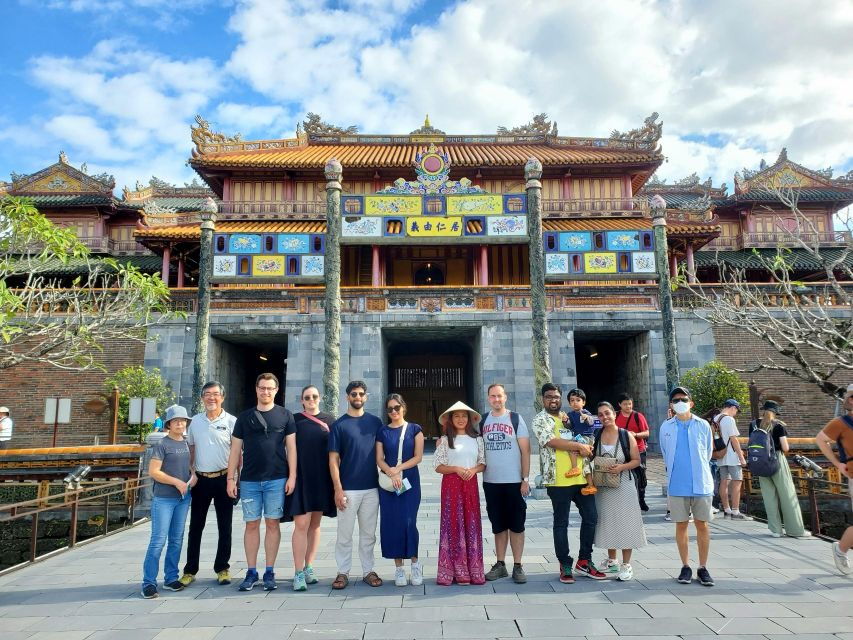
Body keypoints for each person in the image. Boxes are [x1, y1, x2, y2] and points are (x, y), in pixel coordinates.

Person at [226, 373, 297, 592]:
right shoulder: (244, 418)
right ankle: (251, 571)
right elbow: (235, 450)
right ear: (256, 389)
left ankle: (269, 571)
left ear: (276, 390)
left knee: (273, 523)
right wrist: (231, 478)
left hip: (277, 477)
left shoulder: (286, 415)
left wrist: (292, 476)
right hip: (249, 480)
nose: (266, 392)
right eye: (262, 388)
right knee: (251, 524)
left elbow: (292, 448)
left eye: (270, 388)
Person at [532, 383, 607, 584]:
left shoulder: (568, 417)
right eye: (549, 396)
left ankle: (585, 559)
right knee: (561, 522)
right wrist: (579, 446)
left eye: (556, 396)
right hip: (558, 480)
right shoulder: (540, 420)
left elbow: (588, 428)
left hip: (583, 478)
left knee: (591, 517)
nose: (553, 400)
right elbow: (551, 441)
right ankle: (564, 562)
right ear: (542, 398)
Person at [179, 381, 237, 587]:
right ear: (202, 398)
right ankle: (190, 569)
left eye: (215, 394)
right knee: (196, 526)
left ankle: (222, 567)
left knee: (225, 526)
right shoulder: (194, 422)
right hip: (201, 480)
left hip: (224, 479)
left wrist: (234, 478)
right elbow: (191, 450)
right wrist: (192, 472)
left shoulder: (231, 421)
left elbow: (237, 454)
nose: (211, 398)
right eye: (207, 394)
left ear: (222, 397)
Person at [329, 380, 384, 589]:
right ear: (347, 397)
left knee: (368, 534)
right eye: (354, 394)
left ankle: (368, 571)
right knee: (344, 534)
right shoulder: (339, 425)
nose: (358, 397)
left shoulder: (375, 423)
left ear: (366, 397)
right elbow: (333, 460)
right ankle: (342, 572)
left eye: (361, 394)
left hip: (372, 488)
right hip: (348, 489)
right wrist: (337, 488)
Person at [659, 386, 715, 587]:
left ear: (691, 402)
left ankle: (702, 567)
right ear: (671, 405)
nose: (679, 402)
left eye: (683, 399)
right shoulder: (666, 427)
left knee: (702, 524)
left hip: (701, 482)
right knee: (681, 525)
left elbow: (707, 452)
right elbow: (666, 453)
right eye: (675, 400)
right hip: (677, 483)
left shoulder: (702, 425)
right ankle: (685, 565)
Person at [284, 385, 336, 591]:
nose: (311, 399)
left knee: (315, 524)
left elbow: (336, 451)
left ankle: (309, 567)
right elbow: (286, 448)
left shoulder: (330, 420)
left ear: (320, 397)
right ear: (302, 400)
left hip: (322, 479)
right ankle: (297, 572)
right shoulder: (294, 420)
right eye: (307, 397)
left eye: (315, 396)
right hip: (301, 478)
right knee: (301, 524)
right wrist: (290, 476)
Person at [141, 405, 196, 599]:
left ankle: (171, 577)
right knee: (158, 541)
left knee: (176, 539)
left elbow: (188, 465)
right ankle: (148, 582)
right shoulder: (162, 444)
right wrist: (176, 482)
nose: (180, 424)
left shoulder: (185, 443)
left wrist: (193, 475)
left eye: (183, 421)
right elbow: (154, 472)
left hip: (182, 498)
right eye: (176, 421)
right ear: (169, 424)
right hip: (164, 498)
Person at [481, 383, 531, 584]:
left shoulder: (515, 419)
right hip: (491, 482)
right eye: (492, 396)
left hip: (514, 481)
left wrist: (525, 479)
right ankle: (500, 563)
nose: (496, 400)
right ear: (488, 398)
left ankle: (518, 565)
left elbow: (526, 451)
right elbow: (467, 440)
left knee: (517, 525)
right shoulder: (482, 420)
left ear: (505, 397)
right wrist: (443, 440)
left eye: (499, 396)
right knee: (498, 525)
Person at [434, 401, 486, 585]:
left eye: (464, 416)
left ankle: (473, 569)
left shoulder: (477, 439)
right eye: (456, 416)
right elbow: (438, 466)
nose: (461, 419)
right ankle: (454, 570)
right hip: (451, 486)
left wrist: (474, 470)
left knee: (471, 523)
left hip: (470, 484)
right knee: (453, 524)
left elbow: (482, 463)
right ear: (450, 420)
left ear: (470, 419)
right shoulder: (445, 440)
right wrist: (455, 468)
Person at [593, 402, 646, 581]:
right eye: (600, 415)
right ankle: (612, 559)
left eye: (607, 413)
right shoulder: (597, 434)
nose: (604, 417)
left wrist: (621, 467)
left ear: (614, 414)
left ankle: (626, 564)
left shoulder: (625, 435)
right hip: (603, 487)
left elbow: (637, 460)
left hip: (624, 485)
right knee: (608, 521)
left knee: (626, 522)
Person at [376, 393, 424, 587]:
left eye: (397, 407)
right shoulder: (382, 431)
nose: (394, 411)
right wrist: (390, 472)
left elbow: (418, 456)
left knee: (408, 522)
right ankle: (399, 569)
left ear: (403, 407)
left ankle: (415, 564)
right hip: (389, 483)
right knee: (392, 523)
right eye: (390, 409)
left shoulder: (415, 429)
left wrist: (398, 469)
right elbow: (379, 458)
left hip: (409, 481)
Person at [749, 400, 807, 538]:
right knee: (787, 494)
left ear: (764, 410)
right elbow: (785, 448)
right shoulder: (778, 426)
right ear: (775, 412)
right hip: (777, 460)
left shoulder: (753, 425)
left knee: (769, 496)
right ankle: (795, 530)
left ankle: (776, 530)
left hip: (760, 462)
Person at [816, 385, 853, 575]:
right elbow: (821, 440)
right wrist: (837, 463)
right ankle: (840, 549)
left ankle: (841, 549)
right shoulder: (841, 422)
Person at [615, 393, 650, 511]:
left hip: (638, 450)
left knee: (640, 476)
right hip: (622, 451)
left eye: (630, 404)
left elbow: (646, 433)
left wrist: (636, 434)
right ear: (619, 404)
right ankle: (625, 502)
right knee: (622, 476)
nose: (628, 406)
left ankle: (641, 500)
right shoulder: (615, 416)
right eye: (625, 404)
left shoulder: (638, 416)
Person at [715, 399, 749, 520]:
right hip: (732, 456)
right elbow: (734, 440)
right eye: (736, 410)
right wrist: (741, 457)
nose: (736, 413)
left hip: (720, 455)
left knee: (724, 481)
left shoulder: (715, 419)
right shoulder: (729, 419)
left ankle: (726, 509)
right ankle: (735, 511)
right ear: (732, 407)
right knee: (737, 481)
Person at [565, 388, 598, 496]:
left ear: (583, 402)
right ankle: (589, 484)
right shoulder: (570, 414)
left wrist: (587, 418)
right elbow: (570, 426)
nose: (575, 402)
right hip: (578, 438)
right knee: (585, 463)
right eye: (572, 400)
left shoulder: (585, 412)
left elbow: (591, 422)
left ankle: (576, 469)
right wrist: (565, 421)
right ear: (569, 403)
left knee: (583, 458)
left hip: (587, 438)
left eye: (578, 400)